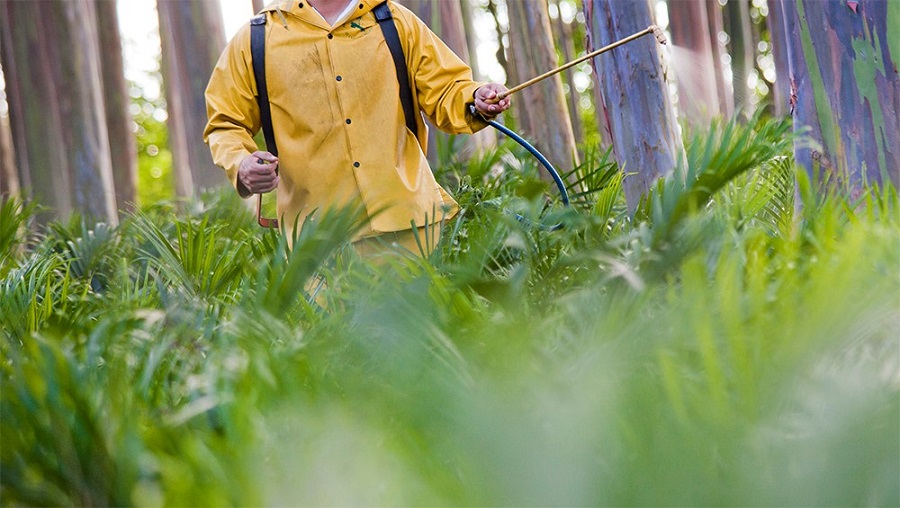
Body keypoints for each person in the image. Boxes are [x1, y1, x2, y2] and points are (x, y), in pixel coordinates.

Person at [204, 0, 510, 255]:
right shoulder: (256, 38)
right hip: (318, 246)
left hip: (412, 230)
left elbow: (448, 90)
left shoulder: (394, 21)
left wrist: (474, 98)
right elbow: (225, 124)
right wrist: (241, 164)